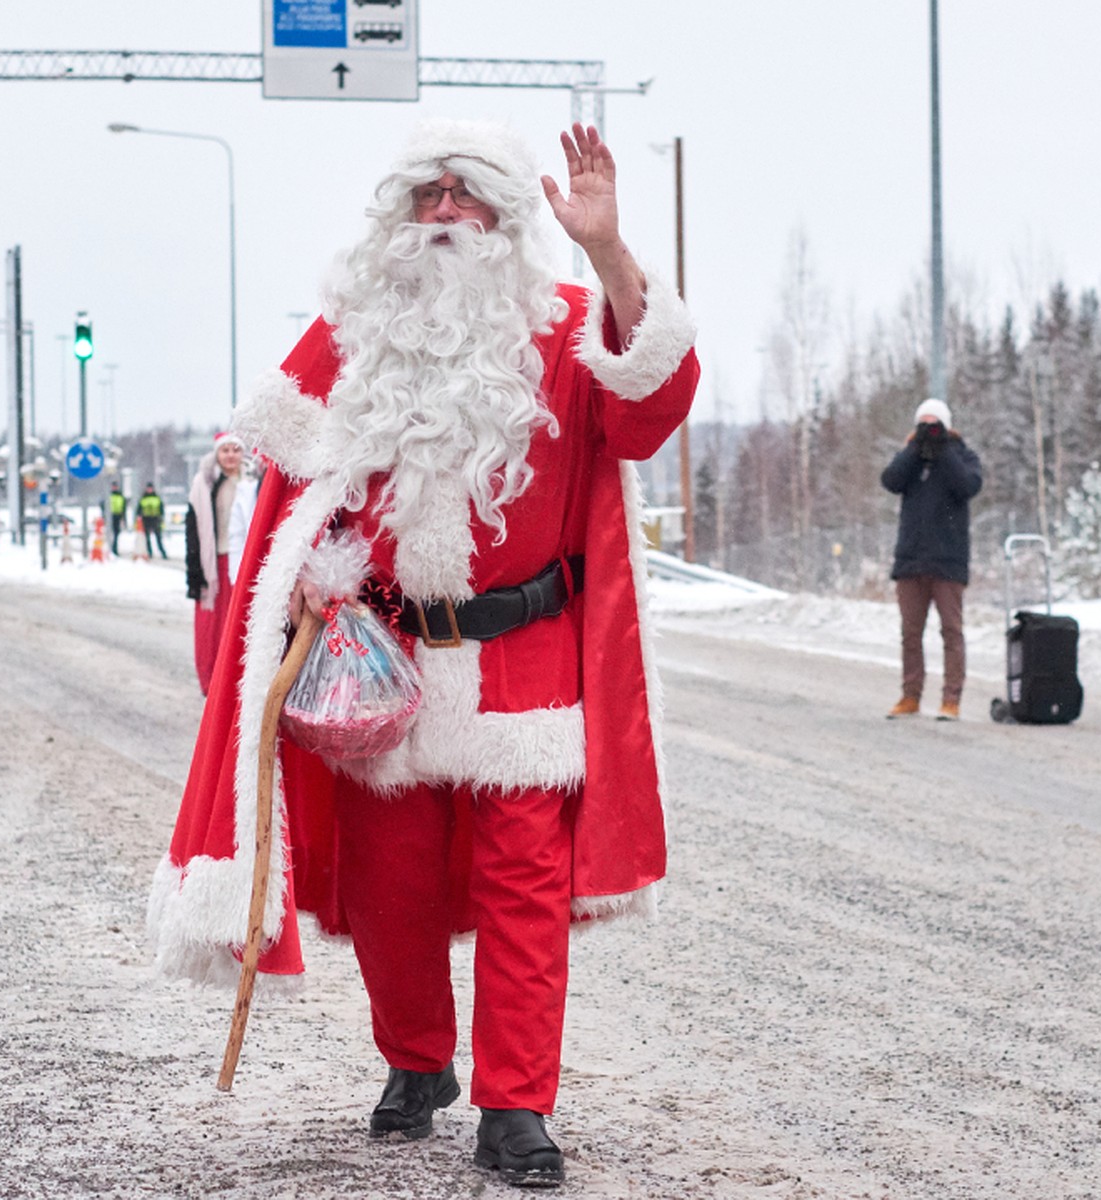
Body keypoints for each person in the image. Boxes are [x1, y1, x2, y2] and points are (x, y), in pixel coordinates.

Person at [148, 120, 698, 1187]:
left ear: (505, 217)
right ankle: (418, 1060)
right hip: (385, 671)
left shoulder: (572, 323)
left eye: (469, 195)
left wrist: (612, 248)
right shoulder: (354, 336)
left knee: (523, 892)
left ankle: (516, 1106)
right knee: (391, 895)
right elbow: (285, 479)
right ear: (399, 220)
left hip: (526, 664)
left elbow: (653, 407)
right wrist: (314, 559)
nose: (446, 213)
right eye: (427, 196)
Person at [881, 397, 983, 721]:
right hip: (911, 560)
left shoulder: (962, 456)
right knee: (911, 633)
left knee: (951, 631)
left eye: (934, 425)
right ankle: (910, 695)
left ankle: (951, 699)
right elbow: (890, 480)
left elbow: (967, 485)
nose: (930, 431)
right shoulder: (911, 461)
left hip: (948, 562)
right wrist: (915, 449)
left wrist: (945, 449)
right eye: (923, 424)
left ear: (948, 426)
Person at [185, 433, 247, 695]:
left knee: (239, 622)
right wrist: (195, 571)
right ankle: (210, 681)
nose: (231, 455)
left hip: (241, 559)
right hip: (213, 564)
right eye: (225, 451)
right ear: (217, 454)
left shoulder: (251, 481)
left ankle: (238, 681)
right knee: (212, 625)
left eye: (236, 450)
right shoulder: (204, 482)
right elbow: (193, 527)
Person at [136, 483, 167, 559]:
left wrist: (161, 517)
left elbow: (161, 508)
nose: (149, 490)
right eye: (148, 488)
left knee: (158, 537)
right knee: (147, 538)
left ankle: (162, 552)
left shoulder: (157, 498)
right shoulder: (143, 498)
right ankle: (150, 553)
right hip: (146, 519)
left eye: (151, 488)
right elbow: (139, 509)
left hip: (156, 519)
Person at [108, 481, 128, 556]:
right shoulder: (109, 495)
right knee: (110, 533)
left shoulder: (121, 497)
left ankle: (114, 548)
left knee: (116, 533)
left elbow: (124, 509)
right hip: (110, 517)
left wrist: (124, 519)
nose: (114, 488)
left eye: (115, 486)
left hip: (118, 517)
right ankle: (110, 548)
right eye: (113, 486)